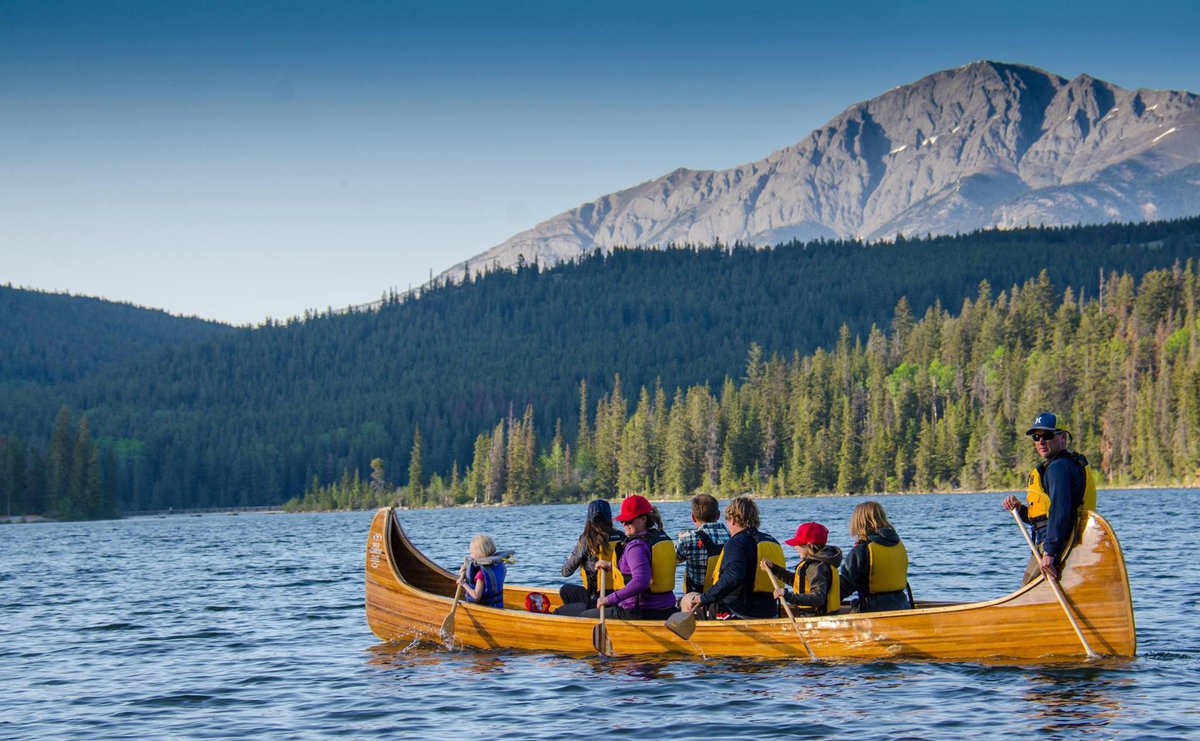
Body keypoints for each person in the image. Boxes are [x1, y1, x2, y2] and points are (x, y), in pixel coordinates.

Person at [1002, 411, 1097, 583]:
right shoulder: (1063, 465)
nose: (1041, 442)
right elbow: (1045, 518)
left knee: (1027, 591)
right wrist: (1020, 510)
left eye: (1047, 435)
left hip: (1054, 546)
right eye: (1036, 437)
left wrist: (1050, 553)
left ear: (1062, 438)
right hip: (1062, 542)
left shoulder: (1058, 468)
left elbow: (1061, 510)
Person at [680, 495, 784, 619]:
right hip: (770, 611)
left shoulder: (736, 542)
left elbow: (733, 576)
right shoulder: (772, 541)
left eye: (728, 521)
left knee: (686, 600)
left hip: (738, 612)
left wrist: (703, 598)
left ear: (733, 520)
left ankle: (698, 631)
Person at [582, 494, 678, 620]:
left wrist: (608, 599)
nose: (624, 524)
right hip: (667, 608)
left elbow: (640, 581)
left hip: (640, 611)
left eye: (628, 520)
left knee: (584, 616)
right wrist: (610, 566)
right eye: (622, 520)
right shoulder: (661, 538)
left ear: (643, 519)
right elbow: (645, 568)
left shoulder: (636, 546)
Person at [555, 499, 625, 616]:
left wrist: (572, 557)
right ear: (609, 517)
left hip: (597, 600)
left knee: (558, 611)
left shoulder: (587, 540)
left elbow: (565, 572)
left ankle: (585, 616)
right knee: (566, 590)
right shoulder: (622, 537)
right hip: (619, 596)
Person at [839, 501, 911, 613]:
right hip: (903, 605)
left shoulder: (862, 550)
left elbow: (846, 584)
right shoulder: (898, 544)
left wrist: (825, 601)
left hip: (872, 609)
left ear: (858, 522)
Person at [762, 522, 843, 615]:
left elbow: (818, 598)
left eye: (798, 544)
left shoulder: (816, 567)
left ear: (809, 546)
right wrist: (774, 569)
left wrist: (788, 596)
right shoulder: (818, 563)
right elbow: (799, 582)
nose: (795, 547)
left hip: (815, 617)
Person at [675, 493, 730, 594]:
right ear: (718, 515)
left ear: (693, 517)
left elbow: (675, 559)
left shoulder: (688, 539)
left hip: (697, 596)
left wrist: (681, 539)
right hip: (723, 592)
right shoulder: (731, 536)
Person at [458, 533, 507, 609]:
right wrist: (466, 570)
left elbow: (476, 596)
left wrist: (463, 583)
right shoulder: (496, 565)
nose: (471, 556)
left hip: (486, 608)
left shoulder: (481, 574)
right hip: (498, 606)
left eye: (472, 553)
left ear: (480, 554)